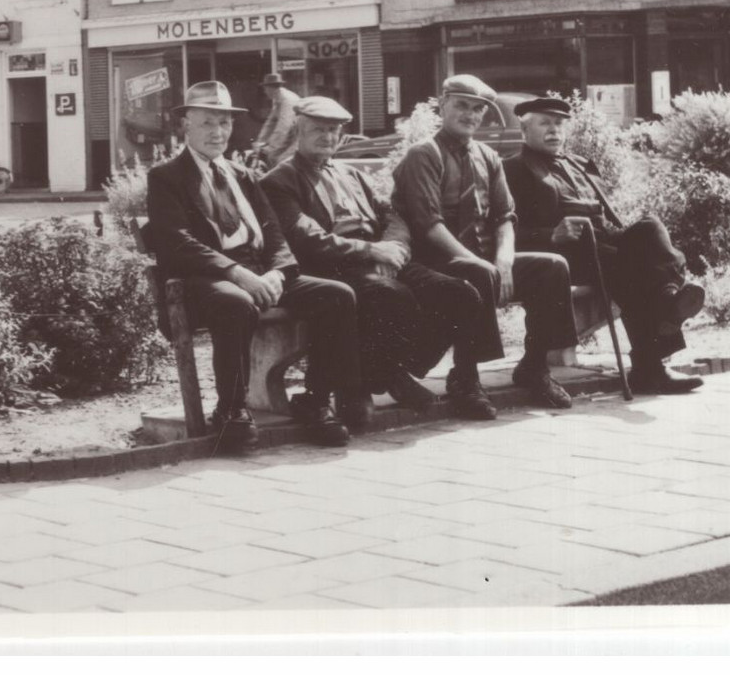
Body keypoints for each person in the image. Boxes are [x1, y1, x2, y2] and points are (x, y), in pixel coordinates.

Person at [146, 81, 363, 452]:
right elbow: (176, 242)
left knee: (337, 295)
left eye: (225, 124)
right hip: (206, 277)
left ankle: (314, 399)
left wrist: (278, 272)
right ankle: (232, 412)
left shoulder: (242, 175)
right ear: (186, 125)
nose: (218, 133)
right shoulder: (167, 177)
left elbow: (274, 233)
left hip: (259, 272)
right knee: (236, 303)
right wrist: (236, 273)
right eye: (208, 123)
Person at [260, 97, 489, 425]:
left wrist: (391, 246)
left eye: (333, 130)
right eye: (317, 130)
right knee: (390, 295)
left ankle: (388, 372)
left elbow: (392, 214)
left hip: (381, 259)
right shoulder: (280, 181)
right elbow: (305, 237)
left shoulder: (352, 174)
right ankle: (379, 379)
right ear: (299, 129)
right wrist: (369, 252)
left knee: (460, 294)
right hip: (335, 267)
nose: (327, 137)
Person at [390, 75, 581, 419]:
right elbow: (428, 225)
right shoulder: (423, 155)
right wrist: (484, 266)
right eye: (462, 105)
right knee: (476, 272)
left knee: (552, 266)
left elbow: (505, 217)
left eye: (478, 109)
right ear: (443, 105)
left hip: (481, 262)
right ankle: (465, 379)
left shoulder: (488, 157)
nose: (470, 115)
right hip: (432, 263)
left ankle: (534, 367)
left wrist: (504, 260)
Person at [503, 97, 705, 395]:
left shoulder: (580, 165)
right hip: (562, 254)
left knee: (649, 226)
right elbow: (506, 227)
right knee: (632, 273)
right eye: (544, 123)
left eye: (559, 123)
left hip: (602, 245)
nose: (553, 130)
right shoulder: (514, 169)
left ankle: (668, 297)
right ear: (524, 129)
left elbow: (605, 219)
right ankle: (651, 366)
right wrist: (550, 235)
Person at [252, 72, 301, 169]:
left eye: (265, 88)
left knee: (281, 161)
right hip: (291, 135)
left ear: (271, 88)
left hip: (300, 136)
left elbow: (283, 127)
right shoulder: (278, 98)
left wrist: (270, 147)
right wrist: (259, 141)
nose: (265, 92)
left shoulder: (288, 100)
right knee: (271, 157)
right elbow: (270, 122)